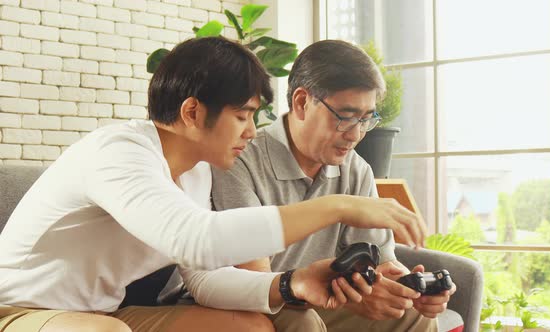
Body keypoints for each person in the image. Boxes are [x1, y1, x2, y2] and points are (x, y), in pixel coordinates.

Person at [0, 37, 424, 332]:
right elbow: (198, 240)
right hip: (21, 311)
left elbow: (203, 278)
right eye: (242, 116)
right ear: (192, 111)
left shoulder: (197, 172)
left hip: (108, 314)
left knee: (254, 327)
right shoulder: (117, 153)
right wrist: (338, 206)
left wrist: (289, 284)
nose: (251, 131)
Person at [208, 39, 457, 332]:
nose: (355, 135)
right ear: (301, 102)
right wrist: (348, 298)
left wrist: (405, 288)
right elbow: (255, 280)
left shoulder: (355, 169)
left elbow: (381, 265)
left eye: (366, 119)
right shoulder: (241, 159)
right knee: (303, 322)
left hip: (322, 303)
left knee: (413, 316)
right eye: (346, 117)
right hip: (261, 303)